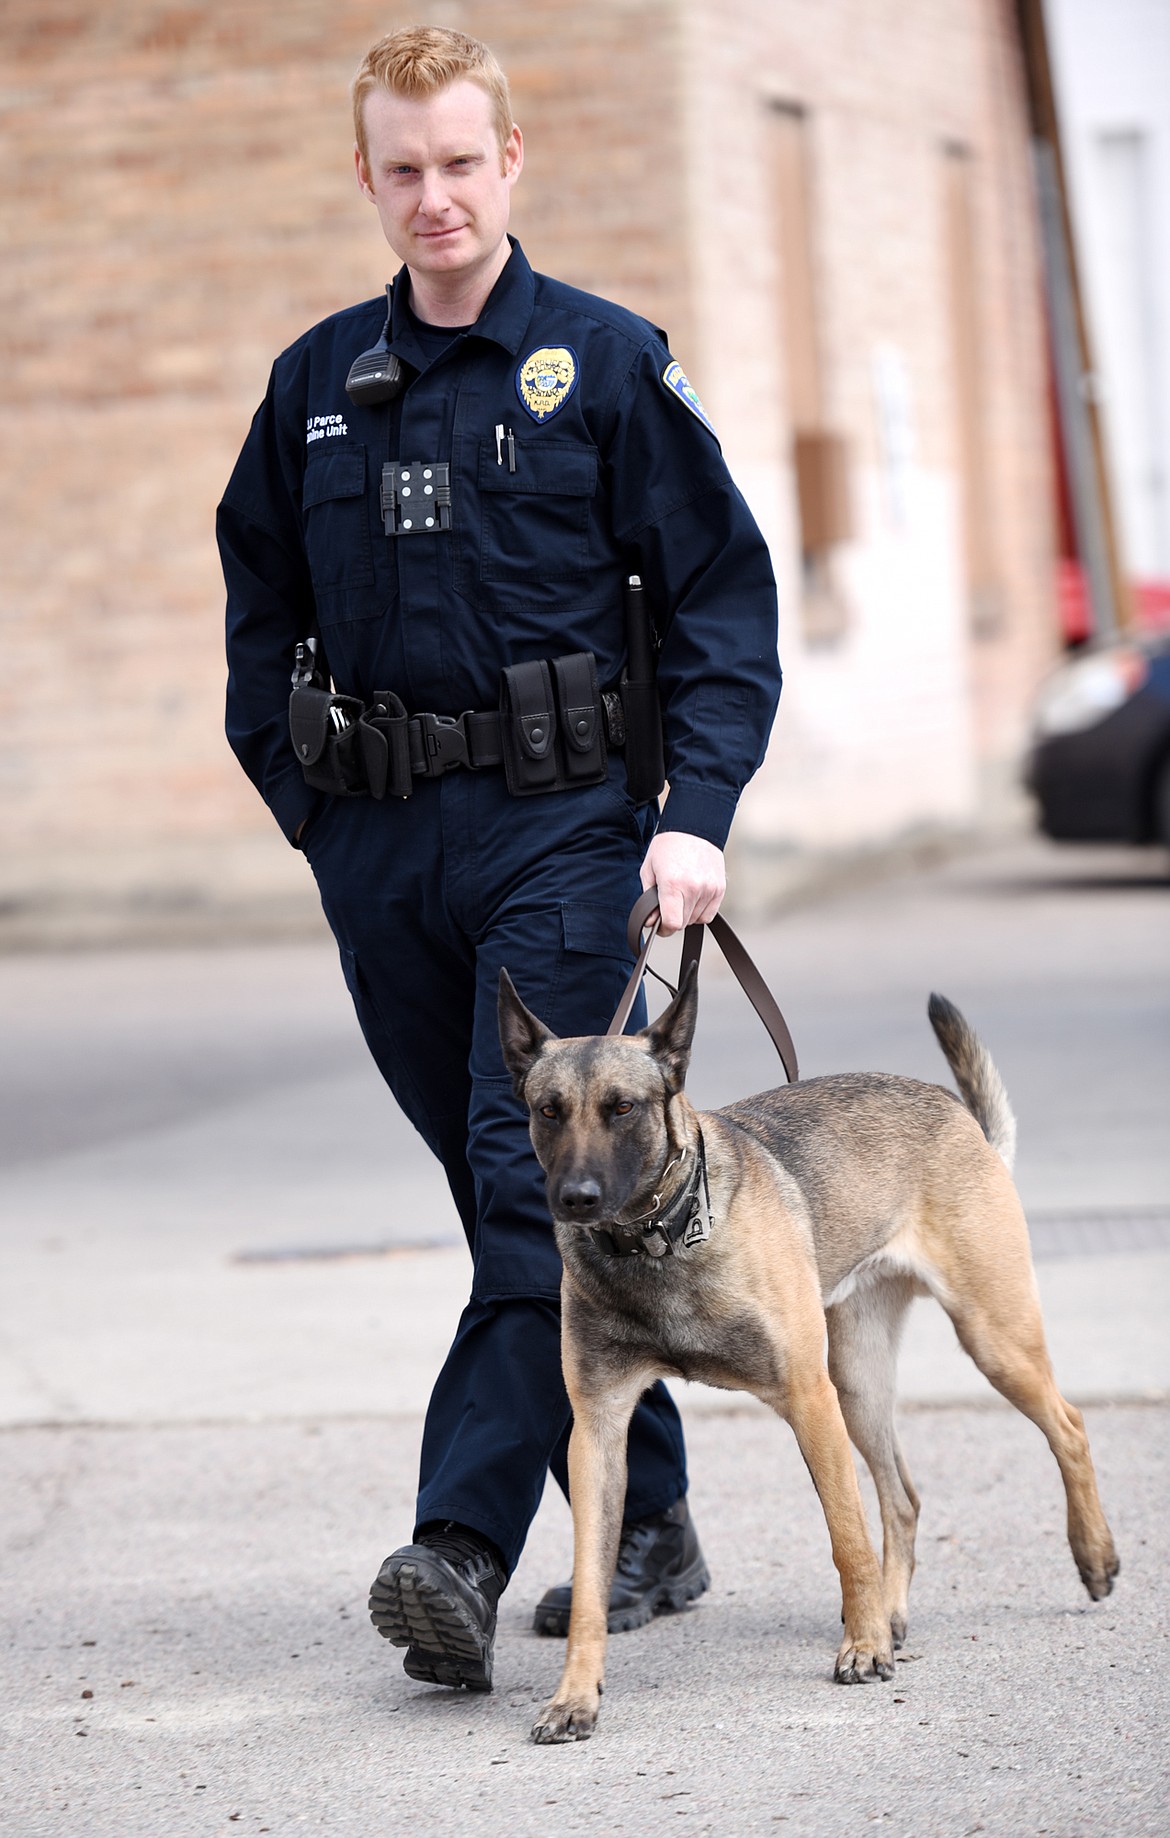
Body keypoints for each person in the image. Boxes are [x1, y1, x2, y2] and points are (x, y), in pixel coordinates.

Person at [217, 25, 781, 1694]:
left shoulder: (603, 365)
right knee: (516, 1195)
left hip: (562, 832)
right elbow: (259, 621)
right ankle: (657, 1517)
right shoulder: (314, 384)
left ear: (510, 160)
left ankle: (455, 1548)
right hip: (382, 849)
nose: (434, 196)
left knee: (532, 1168)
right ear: (367, 176)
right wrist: (312, 818)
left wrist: (697, 812)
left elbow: (717, 606)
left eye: (461, 162)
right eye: (402, 168)